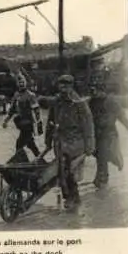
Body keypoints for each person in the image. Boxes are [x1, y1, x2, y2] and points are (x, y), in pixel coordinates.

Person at [45, 75, 95, 209]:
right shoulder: (57, 102)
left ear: (71, 86)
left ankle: (73, 197)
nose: (62, 88)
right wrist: (48, 139)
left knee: (71, 171)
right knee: (62, 170)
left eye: (66, 85)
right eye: (61, 85)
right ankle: (70, 196)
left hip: (75, 142)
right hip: (60, 141)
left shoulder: (79, 103)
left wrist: (89, 144)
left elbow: (88, 124)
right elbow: (50, 121)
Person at [88, 74, 128, 189]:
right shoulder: (91, 102)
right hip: (96, 135)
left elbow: (124, 119)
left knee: (103, 159)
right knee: (99, 158)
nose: (93, 92)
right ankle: (101, 180)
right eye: (91, 89)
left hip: (108, 135)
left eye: (95, 89)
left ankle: (102, 183)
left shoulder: (111, 102)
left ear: (102, 90)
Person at [2, 73, 43, 158]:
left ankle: (20, 162)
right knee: (30, 144)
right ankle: (40, 160)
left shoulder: (31, 95)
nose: (21, 84)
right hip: (21, 124)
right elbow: (12, 110)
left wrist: (38, 123)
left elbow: (37, 110)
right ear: (17, 84)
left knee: (19, 145)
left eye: (23, 82)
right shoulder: (16, 95)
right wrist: (6, 121)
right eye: (19, 82)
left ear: (26, 83)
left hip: (28, 124)